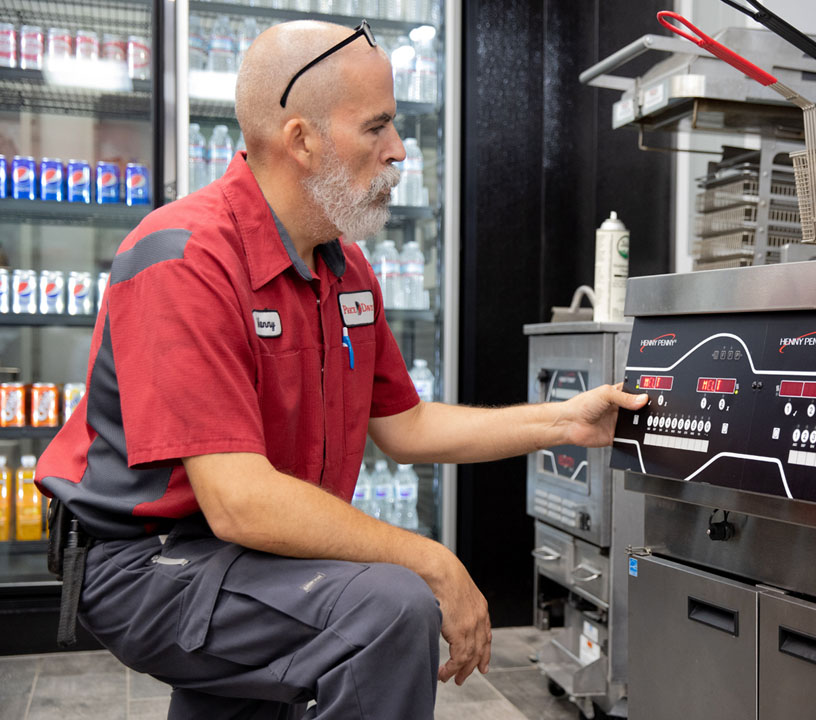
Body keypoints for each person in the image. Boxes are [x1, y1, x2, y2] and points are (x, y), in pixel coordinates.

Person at [35, 19, 648, 720]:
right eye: (378, 127)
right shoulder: (184, 257)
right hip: (146, 563)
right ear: (301, 140)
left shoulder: (345, 267)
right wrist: (432, 561)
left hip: (240, 552)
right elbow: (238, 500)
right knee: (385, 610)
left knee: (282, 663)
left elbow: (406, 425)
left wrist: (564, 420)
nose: (399, 151)